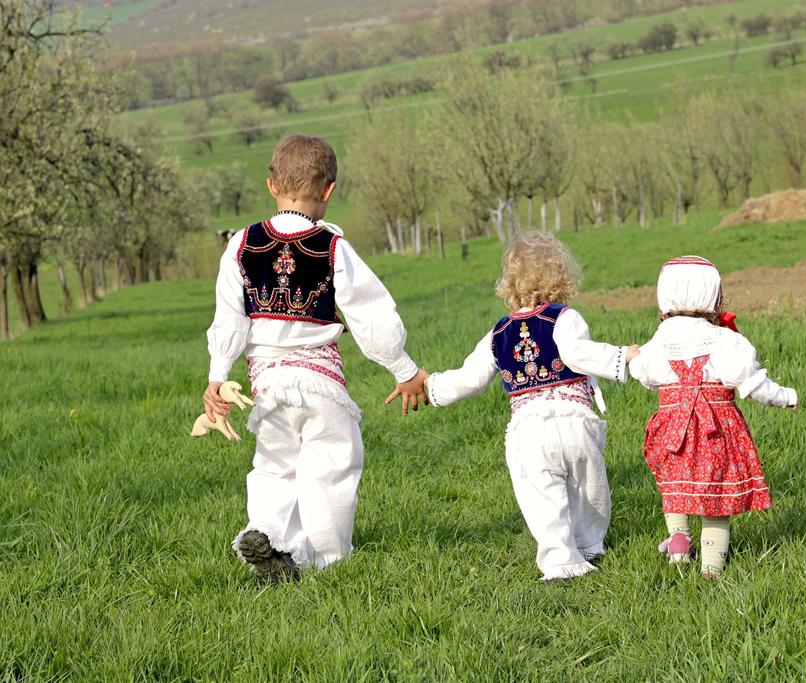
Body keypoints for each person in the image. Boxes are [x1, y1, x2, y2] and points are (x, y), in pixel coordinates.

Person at [203, 134, 427, 582]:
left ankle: (266, 533)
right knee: (331, 469)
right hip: (321, 384)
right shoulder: (331, 248)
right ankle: (329, 563)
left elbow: (229, 318)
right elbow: (370, 315)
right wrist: (405, 369)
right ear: (328, 191)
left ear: (271, 186)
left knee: (273, 468)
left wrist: (216, 375)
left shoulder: (241, 245)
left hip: (267, 388)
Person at [424, 233, 638, 582]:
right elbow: (578, 354)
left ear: (508, 282)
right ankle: (590, 545)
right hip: (574, 420)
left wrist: (431, 386)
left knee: (541, 496)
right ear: (560, 275)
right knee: (589, 489)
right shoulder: (564, 318)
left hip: (527, 430)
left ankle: (559, 561)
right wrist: (622, 356)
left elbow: (471, 378)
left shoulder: (498, 332)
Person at [628, 256, 798, 580]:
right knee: (716, 496)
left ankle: (678, 543)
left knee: (674, 484)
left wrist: (634, 359)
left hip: (672, 428)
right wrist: (787, 396)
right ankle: (711, 570)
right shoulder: (725, 339)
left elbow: (645, 373)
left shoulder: (661, 338)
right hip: (714, 430)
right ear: (713, 295)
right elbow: (753, 384)